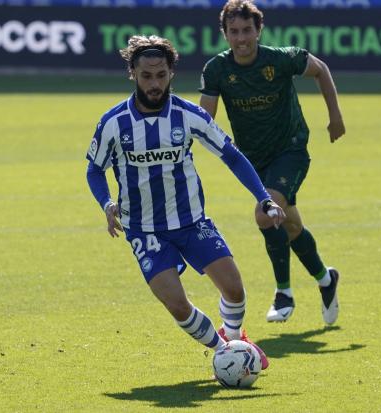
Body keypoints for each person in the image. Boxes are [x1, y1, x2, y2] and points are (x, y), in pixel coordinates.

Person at [86, 34, 286, 370]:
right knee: (178, 306)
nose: (154, 83)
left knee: (235, 290)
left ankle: (235, 337)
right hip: (144, 230)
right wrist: (107, 203)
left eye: (161, 75)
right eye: (146, 76)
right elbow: (94, 170)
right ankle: (228, 351)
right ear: (132, 74)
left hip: (192, 222)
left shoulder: (188, 115)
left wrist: (264, 198)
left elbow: (232, 156)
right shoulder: (113, 123)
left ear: (171, 74)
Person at [199, 0, 345, 324]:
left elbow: (320, 69)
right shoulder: (217, 70)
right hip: (253, 162)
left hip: (291, 150)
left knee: (266, 216)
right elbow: (205, 117)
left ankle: (284, 294)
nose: (241, 38)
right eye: (234, 31)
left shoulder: (281, 59)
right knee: (290, 225)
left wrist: (335, 116)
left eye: (247, 30)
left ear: (259, 30)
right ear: (224, 34)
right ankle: (325, 279)